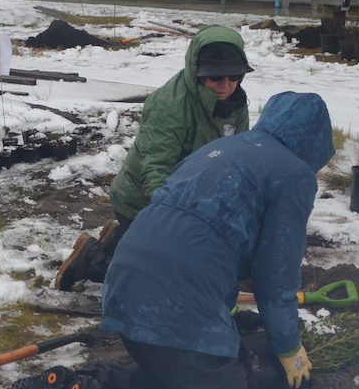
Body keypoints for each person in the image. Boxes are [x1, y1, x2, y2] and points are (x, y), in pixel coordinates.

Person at [4, 92, 333, 389]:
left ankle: (72, 385)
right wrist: (286, 347)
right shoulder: (294, 174)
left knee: (176, 378)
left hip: (125, 279)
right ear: (316, 141)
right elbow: (276, 274)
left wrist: (224, 315)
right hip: (175, 294)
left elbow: (208, 237)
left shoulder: (224, 147)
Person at [54, 26, 252, 290]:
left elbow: (237, 154)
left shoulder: (235, 101)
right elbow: (157, 169)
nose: (226, 85)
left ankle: (119, 239)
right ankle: (90, 260)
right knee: (165, 280)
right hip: (142, 199)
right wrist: (178, 223)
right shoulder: (170, 105)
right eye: (216, 77)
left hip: (189, 195)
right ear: (198, 71)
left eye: (235, 75)